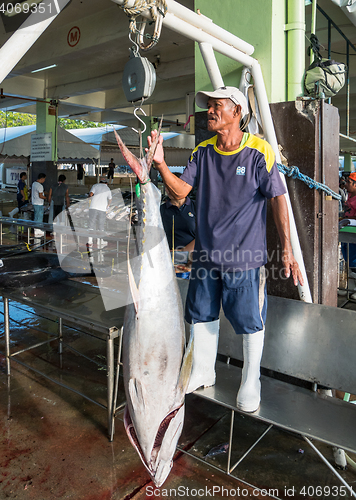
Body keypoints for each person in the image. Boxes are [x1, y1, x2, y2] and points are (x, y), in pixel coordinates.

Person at [148, 86, 303, 413]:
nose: (210, 111)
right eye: (210, 106)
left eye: (218, 106)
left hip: (244, 258)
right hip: (205, 256)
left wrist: (287, 248)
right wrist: (161, 165)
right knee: (201, 314)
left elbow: (278, 199)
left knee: (249, 319)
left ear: (238, 112)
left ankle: (251, 379)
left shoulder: (259, 152)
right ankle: (203, 370)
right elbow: (180, 193)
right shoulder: (201, 152)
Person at [160, 179, 196, 265]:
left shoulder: (197, 207)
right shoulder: (160, 210)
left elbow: (205, 235)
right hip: (167, 260)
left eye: (173, 187)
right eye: (167, 187)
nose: (169, 190)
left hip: (194, 260)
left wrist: (183, 252)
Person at [88, 176, 112, 247]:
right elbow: (110, 199)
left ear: (100, 182)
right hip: (102, 209)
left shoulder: (95, 185)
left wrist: (89, 199)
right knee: (100, 225)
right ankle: (100, 241)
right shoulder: (107, 188)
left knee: (91, 224)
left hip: (93, 207)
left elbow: (90, 194)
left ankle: (90, 241)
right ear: (106, 183)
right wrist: (108, 205)